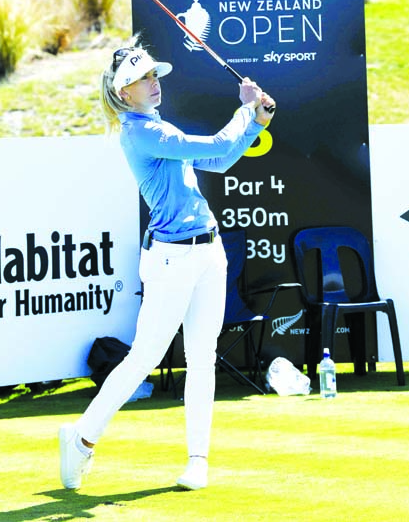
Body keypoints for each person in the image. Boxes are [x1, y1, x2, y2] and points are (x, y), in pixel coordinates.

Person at [59, 42, 275, 491]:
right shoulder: (139, 133)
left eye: (155, 76)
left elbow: (219, 158)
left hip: (209, 252)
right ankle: (81, 439)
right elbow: (217, 141)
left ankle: (198, 461)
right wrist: (246, 108)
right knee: (144, 357)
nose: (154, 83)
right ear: (125, 92)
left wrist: (256, 121)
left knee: (202, 358)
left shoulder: (158, 125)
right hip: (170, 257)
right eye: (144, 78)